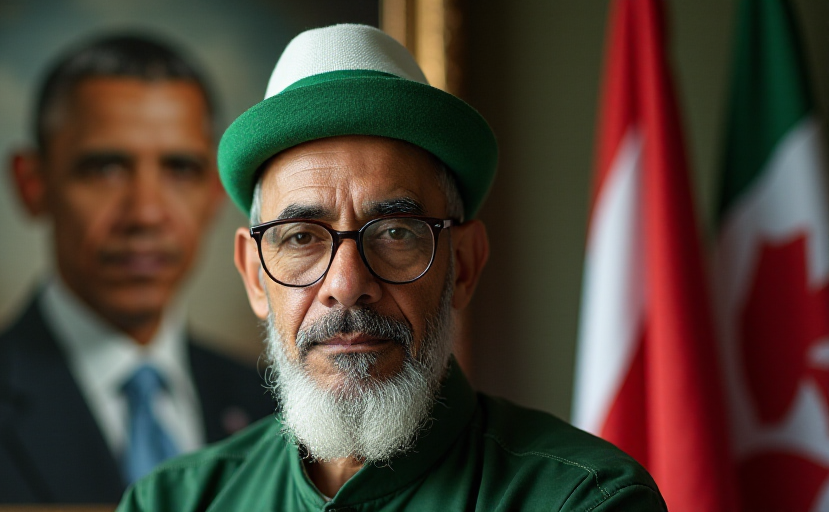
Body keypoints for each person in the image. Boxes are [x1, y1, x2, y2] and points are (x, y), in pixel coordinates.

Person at [118, 24, 668, 511]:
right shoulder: (172, 502)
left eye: (396, 233)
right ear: (254, 276)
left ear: (466, 264)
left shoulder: (582, 501)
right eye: (302, 237)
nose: (346, 285)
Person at [0, 34, 275, 504]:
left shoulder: (275, 410)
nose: (146, 213)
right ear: (32, 183)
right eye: (105, 168)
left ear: (215, 190)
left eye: (179, 169)